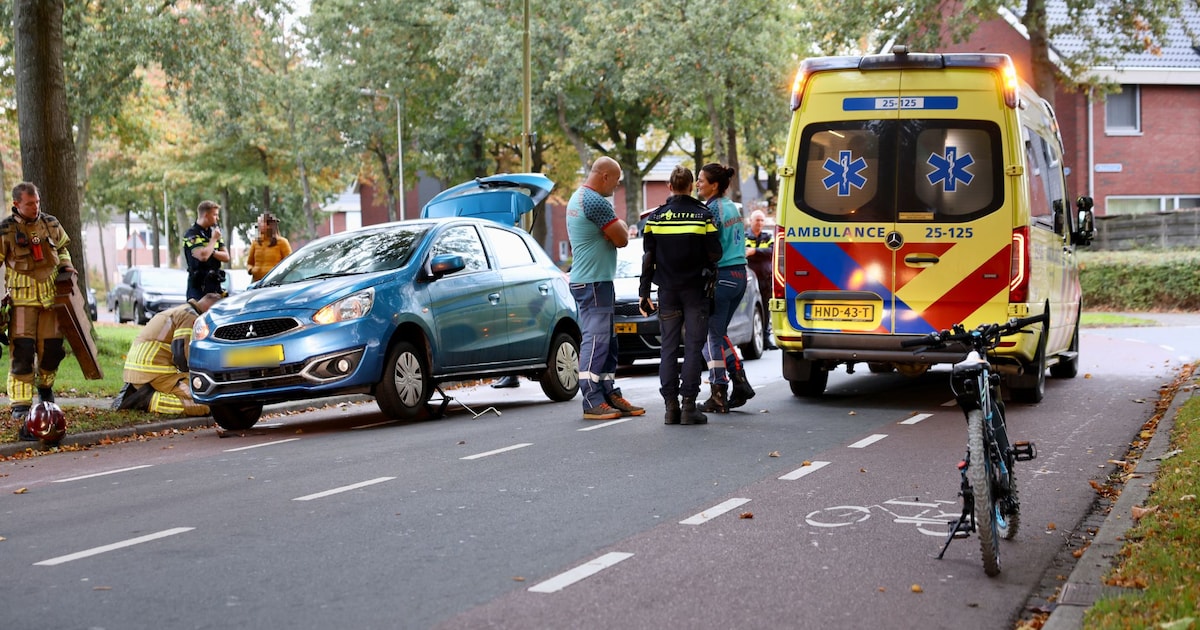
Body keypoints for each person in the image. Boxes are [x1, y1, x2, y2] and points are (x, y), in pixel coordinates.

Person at [640, 165, 721, 425]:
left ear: (669, 187)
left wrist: (644, 292)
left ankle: (670, 407)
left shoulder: (655, 217)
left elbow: (648, 258)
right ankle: (689, 407)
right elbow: (715, 253)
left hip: (668, 292)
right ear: (690, 186)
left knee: (668, 349)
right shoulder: (703, 216)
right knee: (694, 348)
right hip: (695, 291)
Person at [566, 156, 645, 420]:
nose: (618, 185)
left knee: (609, 341)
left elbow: (619, 232)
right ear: (604, 176)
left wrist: (615, 227)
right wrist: (617, 227)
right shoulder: (594, 201)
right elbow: (623, 238)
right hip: (593, 281)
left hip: (593, 280)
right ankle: (591, 398)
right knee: (597, 340)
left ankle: (608, 391)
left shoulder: (578, 198)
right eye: (617, 180)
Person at [0, 182, 75, 439]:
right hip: (22, 302)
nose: (35, 207)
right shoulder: (6, 230)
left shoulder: (52, 224)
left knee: (53, 349)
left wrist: (65, 267)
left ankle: (45, 390)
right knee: (22, 350)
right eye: (30, 203)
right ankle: (20, 405)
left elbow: (63, 248)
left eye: (38, 202)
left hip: (51, 301)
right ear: (17, 205)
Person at [697, 163, 756, 412]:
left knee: (711, 336)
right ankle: (739, 380)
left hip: (721, 276)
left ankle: (718, 391)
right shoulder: (732, 206)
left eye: (701, 180)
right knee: (719, 333)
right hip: (739, 275)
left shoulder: (711, 210)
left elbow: (706, 246)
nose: (698, 183)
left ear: (715, 185)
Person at [112, 292, 223, 416]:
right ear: (210, 310)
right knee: (203, 402)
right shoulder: (190, 316)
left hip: (139, 371)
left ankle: (138, 392)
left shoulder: (179, 311)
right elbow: (182, 354)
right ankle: (147, 400)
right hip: (154, 372)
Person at [182, 200, 230, 301]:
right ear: (206, 215)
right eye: (215, 215)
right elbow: (203, 257)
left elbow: (226, 257)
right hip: (199, 286)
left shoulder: (214, 233)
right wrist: (213, 241)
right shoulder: (192, 234)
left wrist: (210, 251)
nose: (218, 218)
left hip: (214, 285)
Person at [744, 208, 777, 350]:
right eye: (757, 220)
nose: (759, 222)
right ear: (750, 221)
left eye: (762, 220)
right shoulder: (744, 237)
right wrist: (757, 253)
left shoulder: (768, 237)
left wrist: (755, 252)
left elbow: (772, 252)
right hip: (750, 279)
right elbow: (743, 252)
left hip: (765, 278)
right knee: (752, 307)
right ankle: (752, 337)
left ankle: (765, 338)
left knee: (765, 308)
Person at [246, 212, 292, 282]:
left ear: (269, 225)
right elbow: (249, 263)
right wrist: (251, 270)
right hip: (257, 282)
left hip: (275, 282)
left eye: (260, 222)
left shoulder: (282, 242)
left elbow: (289, 263)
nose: (258, 225)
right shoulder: (255, 243)